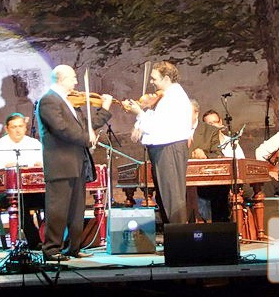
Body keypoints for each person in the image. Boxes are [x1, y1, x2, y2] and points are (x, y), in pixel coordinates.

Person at [36, 65, 113, 261]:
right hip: (60, 164)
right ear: (62, 79)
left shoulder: (68, 102)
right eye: (73, 78)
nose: (76, 82)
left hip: (77, 162)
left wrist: (104, 110)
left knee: (76, 210)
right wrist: (87, 138)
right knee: (58, 209)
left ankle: (73, 247)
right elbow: (62, 129)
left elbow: (84, 127)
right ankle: (51, 249)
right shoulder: (48, 100)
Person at [123, 61, 192, 225]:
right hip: (164, 149)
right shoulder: (166, 96)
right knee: (164, 197)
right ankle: (172, 234)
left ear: (166, 78)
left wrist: (139, 112)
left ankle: (178, 235)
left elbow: (158, 126)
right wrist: (139, 124)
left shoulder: (174, 97)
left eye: (154, 78)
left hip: (169, 149)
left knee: (172, 197)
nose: (151, 82)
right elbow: (154, 119)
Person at [0, 112, 43, 249]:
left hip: (32, 191)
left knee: (54, 200)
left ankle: (53, 238)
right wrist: (5, 167)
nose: (18, 130)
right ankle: (34, 241)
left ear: (25, 128)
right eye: (14, 127)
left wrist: (40, 164)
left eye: (20, 126)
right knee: (19, 201)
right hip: (6, 193)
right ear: (7, 128)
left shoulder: (34, 144)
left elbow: (45, 164)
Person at [187, 100, 229, 223]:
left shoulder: (210, 131)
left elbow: (218, 154)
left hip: (206, 181)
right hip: (181, 180)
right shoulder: (173, 131)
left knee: (218, 190)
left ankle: (216, 226)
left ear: (196, 114)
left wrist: (205, 155)